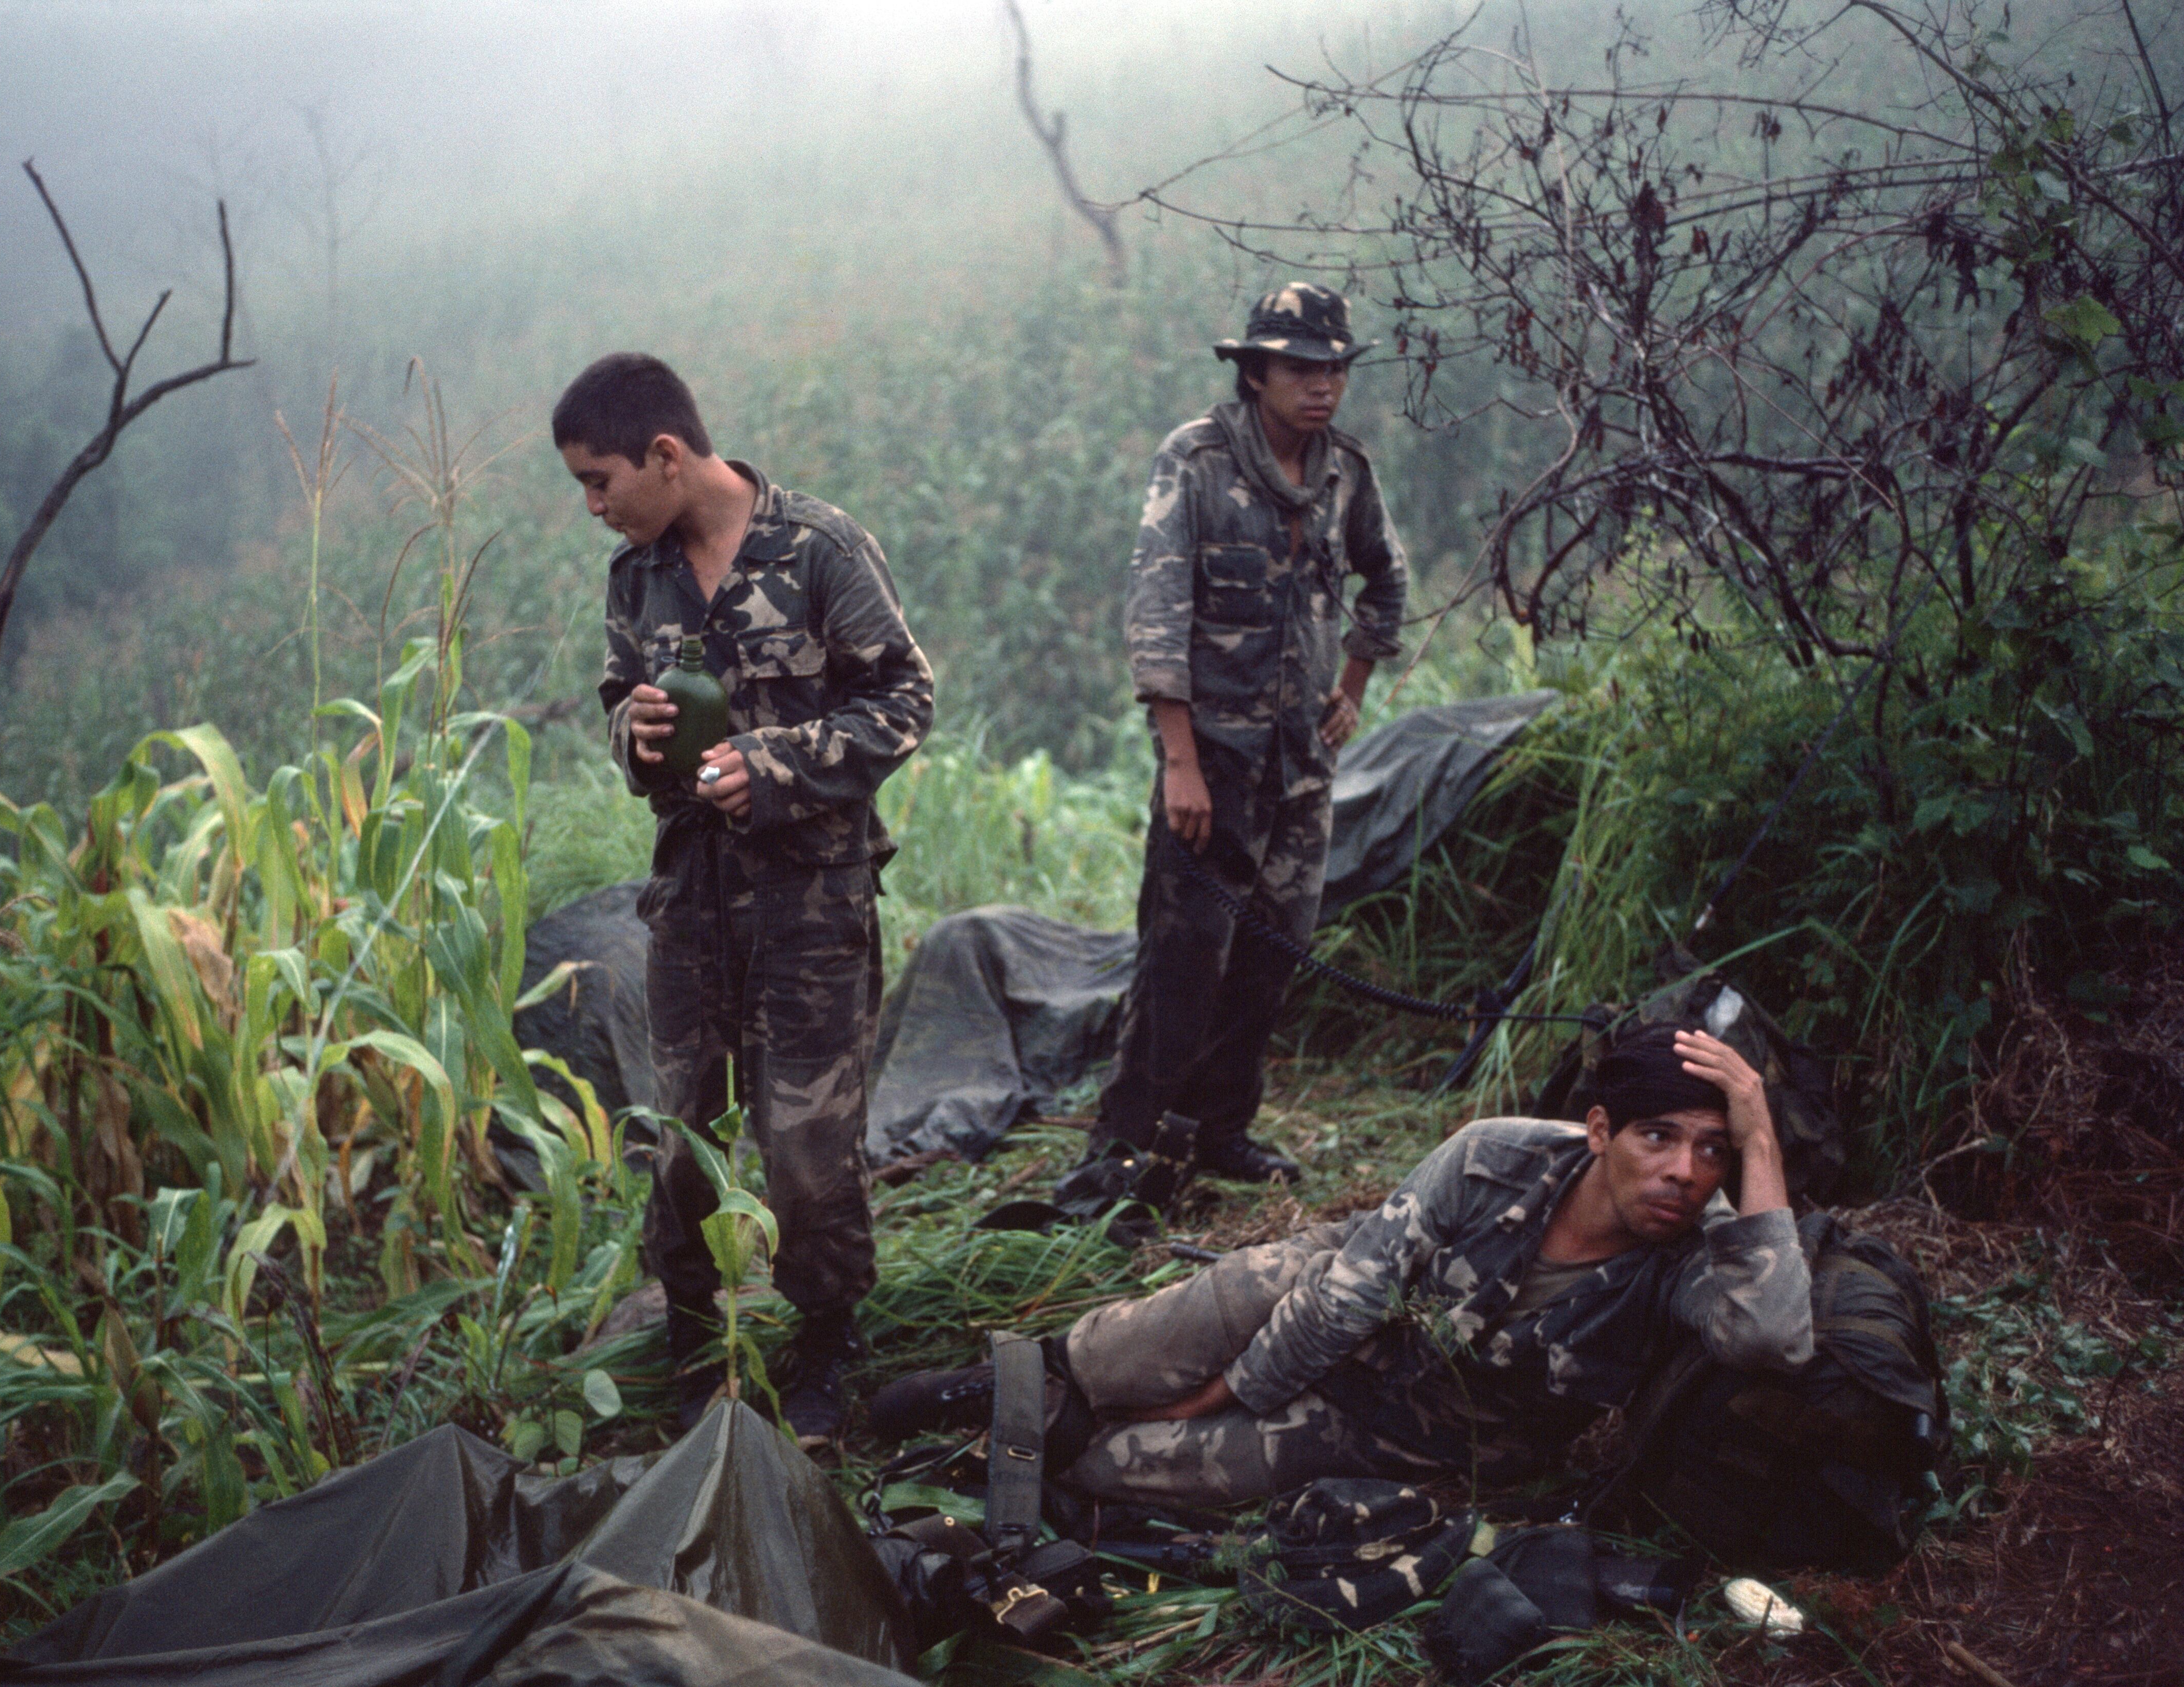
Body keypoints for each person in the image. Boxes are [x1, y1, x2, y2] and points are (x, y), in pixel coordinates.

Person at [871, 1023, 1814, 1506]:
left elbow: (1773, 1337)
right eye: (1659, 1138)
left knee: (1131, 1465)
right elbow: (1350, 1291)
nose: (1685, 1173)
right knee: (1179, 1324)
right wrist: (1226, 1387)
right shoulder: (1497, 1153)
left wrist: (1761, 1138)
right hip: (1339, 1297)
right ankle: (1021, 1380)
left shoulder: (1703, 1249)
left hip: (1416, 1433)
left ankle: (1005, 1456)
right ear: (1601, 1130)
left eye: (1711, 1149)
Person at [555, 353, 934, 1445]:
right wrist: (639, 736)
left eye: (599, 480)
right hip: (691, 898)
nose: (591, 506)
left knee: (807, 1139)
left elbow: (906, 699)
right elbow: (622, 714)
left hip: (812, 899)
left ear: (665, 456)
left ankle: (824, 1344)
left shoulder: (817, 548)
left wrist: (775, 765)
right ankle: (690, 1340)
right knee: (678, 1135)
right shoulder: (639, 577)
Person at [1087, 282, 1412, 1186]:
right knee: (1181, 959)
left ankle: (1218, 1134)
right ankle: (1123, 1151)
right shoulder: (1194, 462)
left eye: (1335, 369)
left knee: (1272, 956)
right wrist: (1179, 762)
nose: (1322, 387)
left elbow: (1386, 582)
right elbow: (1156, 608)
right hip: (1213, 765)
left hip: (1300, 771)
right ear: (1256, 372)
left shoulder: (1345, 471)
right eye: (1302, 369)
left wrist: (1351, 684)